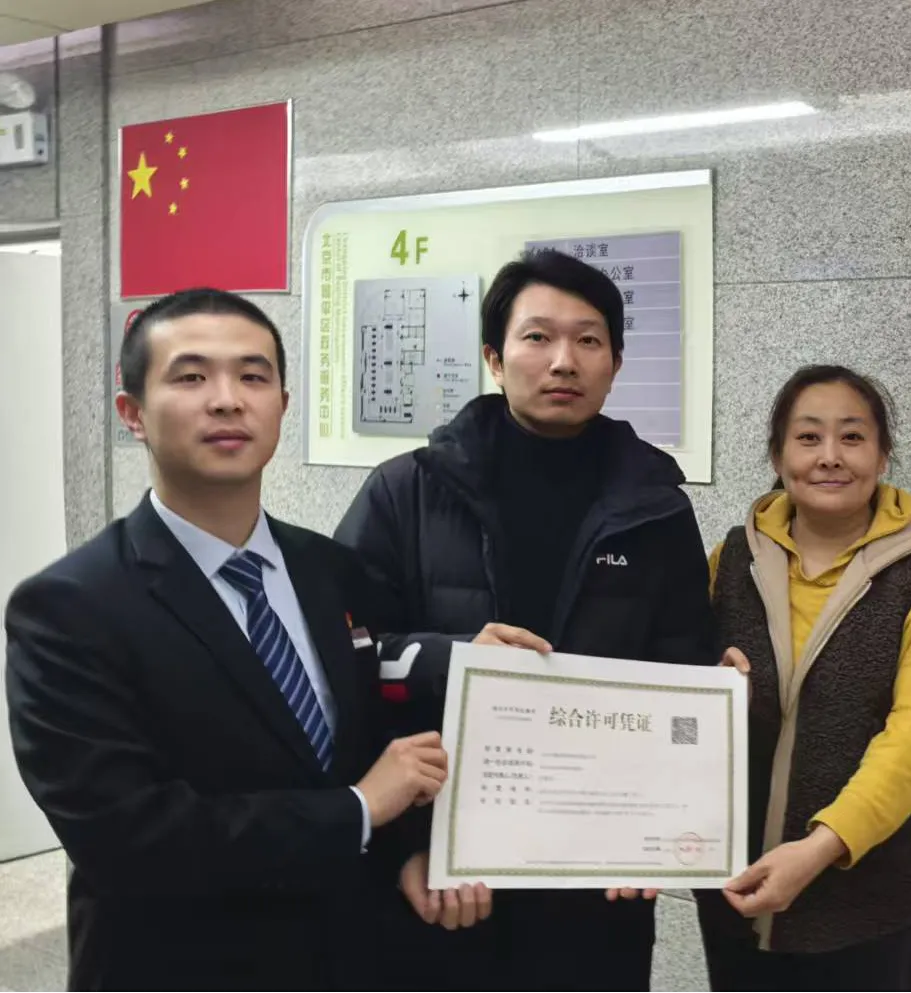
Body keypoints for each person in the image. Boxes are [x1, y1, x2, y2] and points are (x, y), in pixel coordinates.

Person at [4, 289, 448, 991]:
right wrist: (358, 810)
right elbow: (127, 838)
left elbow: (367, 745)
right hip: (180, 965)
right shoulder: (68, 608)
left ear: (282, 404)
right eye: (190, 376)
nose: (227, 400)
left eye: (252, 375)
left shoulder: (333, 569)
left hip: (352, 955)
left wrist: (411, 849)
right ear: (132, 413)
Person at [334, 248, 713, 991]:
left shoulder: (658, 510)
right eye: (537, 336)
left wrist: (657, 833)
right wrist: (409, 845)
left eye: (589, 340)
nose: (563, 360)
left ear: (615, 363)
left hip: (596, 884)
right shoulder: (405, 492)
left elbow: (684, 668)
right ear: (493, 357)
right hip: (444, 876)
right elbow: (341, 656)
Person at [697, 365, 911, 991]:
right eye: (808, 437)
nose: (829, 457)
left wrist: (822, 847)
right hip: (733, 890)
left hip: (864, 905)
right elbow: (681, 689)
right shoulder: (730, 560)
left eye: (852, 437)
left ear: (882, 455)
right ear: (777, 455)